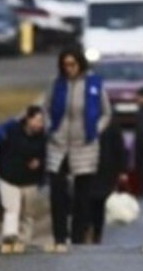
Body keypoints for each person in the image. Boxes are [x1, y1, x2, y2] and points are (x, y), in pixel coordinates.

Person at [43, 45, 111, 245]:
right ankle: (59, 235)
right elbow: (45, 108)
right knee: (58, 193)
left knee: (83, 195)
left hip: (85, 145)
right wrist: (50, 128)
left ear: (80, 64)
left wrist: (95, 129)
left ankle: (78, 236)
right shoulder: (56, 84)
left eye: (72, 64)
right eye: (65, 65)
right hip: (58, 144)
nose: (69, 68)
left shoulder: (93, 84)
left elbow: (106, 112)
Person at [0, 105, 47, 244]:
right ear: (28, 119)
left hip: (30, 180)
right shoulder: (12, 130)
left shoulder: (43, 137)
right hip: (9, 177)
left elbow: (45, 155)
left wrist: (39, 162)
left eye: (41, 121)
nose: (39, 124)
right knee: (11, 208)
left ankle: (24, 239)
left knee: (27, 212)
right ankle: (10, 235)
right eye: (37, 120)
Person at [88, 120, 129, 243]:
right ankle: (90, 232)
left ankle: (96, 233)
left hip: (106, 170)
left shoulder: (111, 123)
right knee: (88, 202)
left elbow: (119, 147)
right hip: (89, 167)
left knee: (99, 204)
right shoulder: (86, 119)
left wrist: (122, 170)